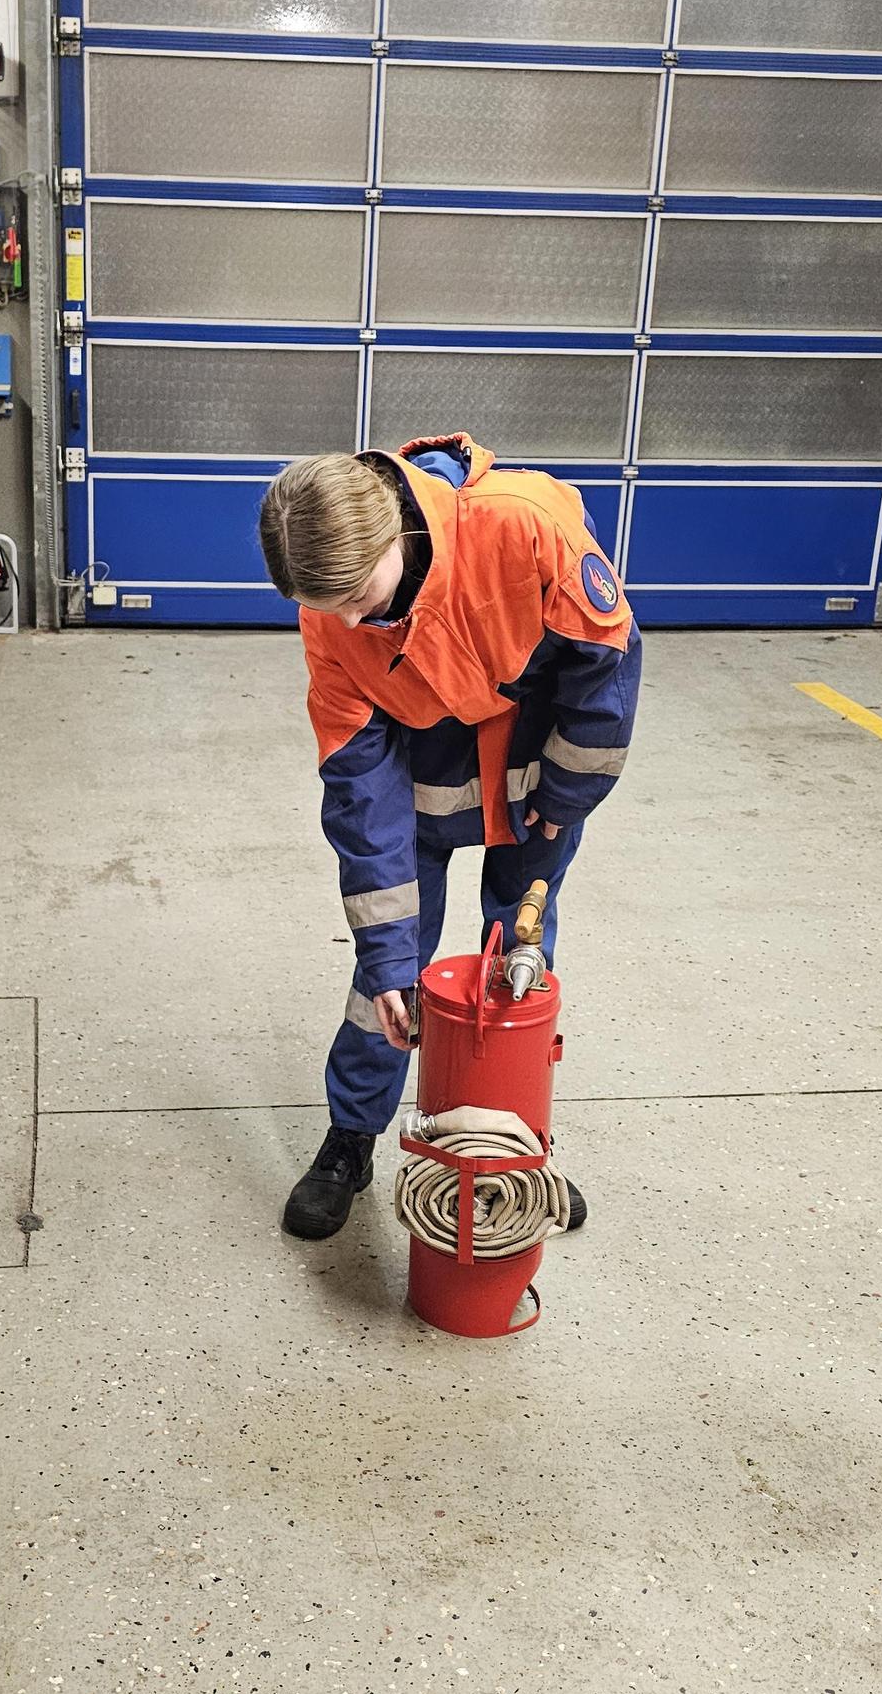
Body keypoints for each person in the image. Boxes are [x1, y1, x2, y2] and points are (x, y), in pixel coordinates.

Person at [259, 435, 642, 1238]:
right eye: (330, 609)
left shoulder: (522, 526)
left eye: (358, 597)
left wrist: (567, 795)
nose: (350, 621)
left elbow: (605, 664)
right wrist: (388, 957)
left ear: (392, 539)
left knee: (518, 968)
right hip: (418, 782)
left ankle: (511, 1151)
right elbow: (359, 779)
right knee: (387, 982)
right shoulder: (331, 613)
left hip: (536, 776)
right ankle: (351, 1138)